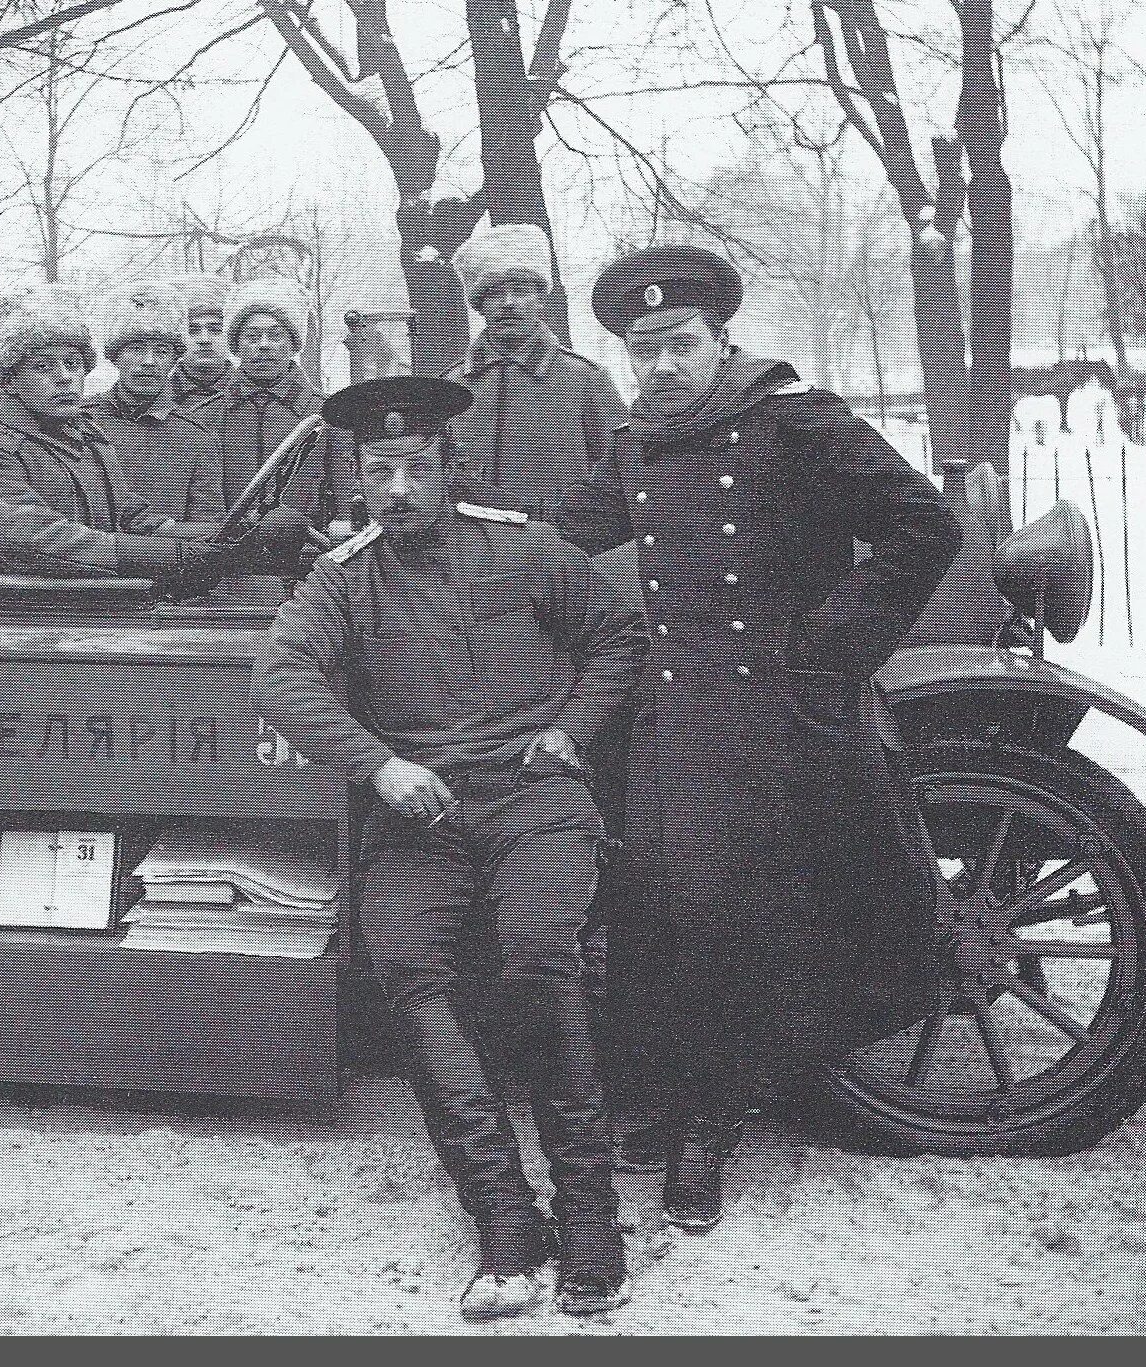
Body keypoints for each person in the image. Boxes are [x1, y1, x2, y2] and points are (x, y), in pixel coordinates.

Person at [550, 245, 960, 1232]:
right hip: (668, 714)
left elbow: (922, 525)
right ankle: (651, 1097)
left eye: (678, 344)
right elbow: (560, 533)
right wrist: (459, 527)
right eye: (642, 350)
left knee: (734, 922)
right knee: (649, 910)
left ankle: (709, 1133)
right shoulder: (637, 444)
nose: (661, 367)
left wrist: (827, 650)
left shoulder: (792, 419)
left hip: (773, 722)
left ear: (720, 338)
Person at [253, 376, 647, 1319]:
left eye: (416, 468)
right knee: (408, 969)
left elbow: (619, 638)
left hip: (534, 803)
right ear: (358, 480)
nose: (398, 489)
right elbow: (280, 674)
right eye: (379, 471)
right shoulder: (343, 576)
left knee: (539, 957)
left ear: (449, 468)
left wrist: (573, 731)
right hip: (421, 817)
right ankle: (505, 1225)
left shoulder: (524, 550)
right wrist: (378, 765)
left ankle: (591, 1221)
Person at [0, 285, 304, 588]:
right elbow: (49, 543)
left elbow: (133, 518)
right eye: (45, 367)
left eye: (73, 366)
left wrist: (232, 539)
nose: (65, 379)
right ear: (9, 380)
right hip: (31, 626)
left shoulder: (88, 441)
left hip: (96, 608)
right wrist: (180, 553)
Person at [443, 224, 627, 516]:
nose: (508, 304)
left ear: (541, 298)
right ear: (478, 306)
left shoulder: (585, 380)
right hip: (473, 554)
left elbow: (622, 475)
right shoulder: (451, 389)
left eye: (521, 291)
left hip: (558, 551)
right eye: (493, 294)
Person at [205, 276, 356, 528]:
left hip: (307, 554)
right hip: (223, 553)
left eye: (275, 335)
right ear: (236, 345)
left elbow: (346, 499)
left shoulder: (329, 413)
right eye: (252, 336)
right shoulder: (206, 415)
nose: (264, 345)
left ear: (293, 343)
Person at [85, 281, 226, 522]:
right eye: (137, 349)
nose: (148, 361)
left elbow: (206, 530)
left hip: (167, 558)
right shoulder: (82, 420)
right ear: (115, 356)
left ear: (174, 360)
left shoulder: (197, 438)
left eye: (161, 351)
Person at [165, 273, 235, 414]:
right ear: (178, 336)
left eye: (215, 329)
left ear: (230, 333)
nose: (204, 339)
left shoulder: (254, 394)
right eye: (193, 330)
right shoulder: (156, 397)